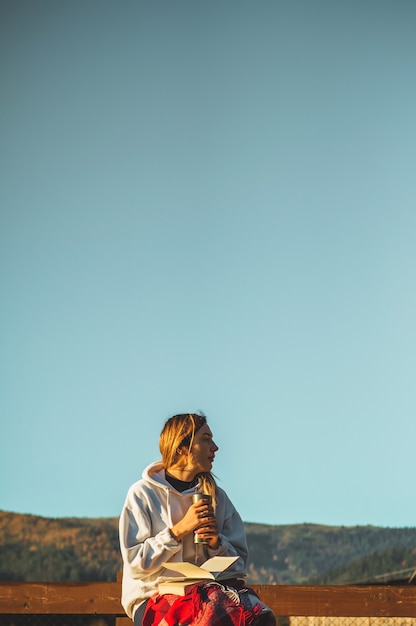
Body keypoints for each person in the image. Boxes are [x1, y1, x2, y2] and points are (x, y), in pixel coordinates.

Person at [119, 413, 275, 626]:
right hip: (154, 598)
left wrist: (215, 543)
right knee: (210, 613)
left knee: (256, 614)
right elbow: (136, 564)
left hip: (208, 595)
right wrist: (178, 531)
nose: (215, 447)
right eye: (206, 439)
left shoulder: (217, 497)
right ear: (182, 447)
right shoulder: (142, 494)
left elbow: (239, 565)